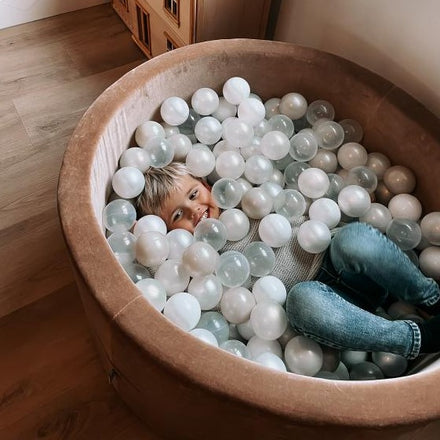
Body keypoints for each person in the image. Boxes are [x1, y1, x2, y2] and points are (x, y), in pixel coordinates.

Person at [137, 162, 440, 360]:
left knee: (352, 239)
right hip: (323, 311)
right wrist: (149, 246)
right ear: (167, 233)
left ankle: (432, 297)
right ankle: (418, 338)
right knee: (301, 299)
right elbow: (163, 274)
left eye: (193, 194)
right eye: (178, 215)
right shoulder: (193, 264)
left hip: (338, 260)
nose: (194, 211)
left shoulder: (241, 194)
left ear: (207, 183)